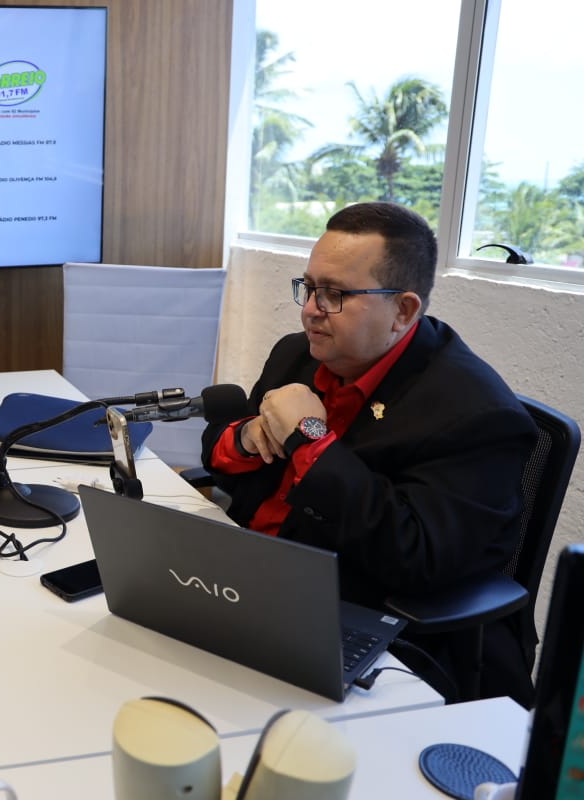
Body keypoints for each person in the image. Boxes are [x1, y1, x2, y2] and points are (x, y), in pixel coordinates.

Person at [201, 201, 537, 705]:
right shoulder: (297, 353)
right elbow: (218, 454)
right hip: (249, 583)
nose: (310, 309)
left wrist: (309, 438)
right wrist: (249, 437)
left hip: (370, 632)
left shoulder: (476, 415)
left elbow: (412, 555)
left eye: (334, 294)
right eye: (308, 287)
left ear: (403, 311)